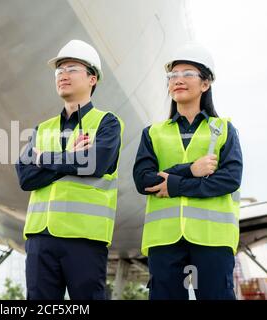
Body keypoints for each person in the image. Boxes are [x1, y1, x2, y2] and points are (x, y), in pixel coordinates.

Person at [15, 40, 124, 300]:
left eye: (72, 68)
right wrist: (71, 157)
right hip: (41, 237)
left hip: (84, 238)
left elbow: (96, 164)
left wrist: (46, 159)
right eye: (59, 70)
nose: (63, 74)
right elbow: (25, 176)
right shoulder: (43, 128)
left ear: (92, 79)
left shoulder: (107, 123)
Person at [133, 42, 243, 300]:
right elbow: (143, 180)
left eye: (187, 74)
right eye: (172, 76)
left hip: (213, 240)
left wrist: (174, 184)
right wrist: (190, 170)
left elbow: (229, 180)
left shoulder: (225, 129)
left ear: (205, 84)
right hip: (164, 241)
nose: (177, 80)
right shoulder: (153, 133)